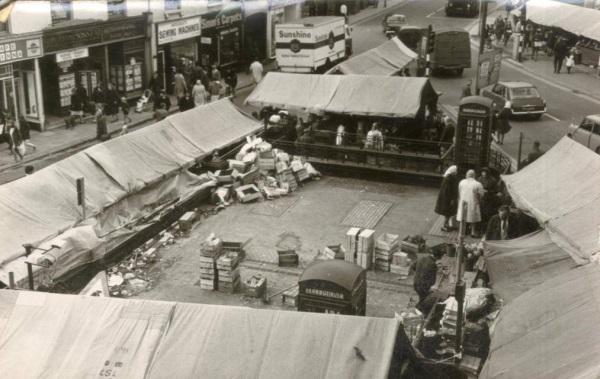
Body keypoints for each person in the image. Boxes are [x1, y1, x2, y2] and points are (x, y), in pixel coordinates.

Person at [457, 169, 485, 238]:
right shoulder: (478, 184)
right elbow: (481, 194)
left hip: (463, 201)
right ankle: (473, 232)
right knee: (473, 217)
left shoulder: (461, 182)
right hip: (473, 202)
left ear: (467, 175)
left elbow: (459, 192)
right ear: (474, 176)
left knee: (462, 216)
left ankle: (462, 231)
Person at [435, 165, 458, 232]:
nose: (456, 172)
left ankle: (446, 225)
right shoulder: (448, 180)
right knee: (448, 213)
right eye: (455, 171)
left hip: (447, 199)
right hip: (448, 199)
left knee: (448, 213)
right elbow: (447, 191)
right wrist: (451, 199)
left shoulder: (449, 178)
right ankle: (443, 225)